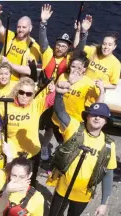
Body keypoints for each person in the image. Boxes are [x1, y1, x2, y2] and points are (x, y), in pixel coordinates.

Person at [47, 80, 117, 216]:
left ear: (105, 121)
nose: (96, 117)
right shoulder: (73, 129)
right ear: (86, 116)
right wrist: (60, 94)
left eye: (101, 116)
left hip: (83, 194)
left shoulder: (109, 145)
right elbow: (60, 112)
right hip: (63, 188)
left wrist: (103, 203)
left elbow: (108, 174)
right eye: (93, 114)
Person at [38, 4, 85, 160]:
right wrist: (43, 23)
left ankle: (44, 146)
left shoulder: (69, 60)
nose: (59, 47)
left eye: (63, 46)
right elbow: (43, 39)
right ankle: (31, 145)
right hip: (41, 97)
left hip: (56, 100)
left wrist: (83, 33)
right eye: (58, 44)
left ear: (67, 48)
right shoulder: (48, 53)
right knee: (35, 122)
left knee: (51, 128)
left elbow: (79, 50)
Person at [0, 77, 55, 186]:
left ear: (33, 95)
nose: (24, 96)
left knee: (29, 184)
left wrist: (54, 90)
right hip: (12, 154)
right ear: (17, 91)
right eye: (21, 92)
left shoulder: (36, 105)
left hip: (32, 153)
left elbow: (52, 99)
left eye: (29, 94)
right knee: (11, 183)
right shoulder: (5, 105)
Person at [50, 53, 105, 144]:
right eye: (73, 66)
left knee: (71, 144)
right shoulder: (63, 76)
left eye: (79, 68)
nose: (75, 70)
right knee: (60, 141)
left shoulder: (88, 83)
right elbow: (54, 94)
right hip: (57, 118)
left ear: (84, 69)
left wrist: (102, 91)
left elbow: (97, 105)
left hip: (74, 121)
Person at [0, 3, 41, 81]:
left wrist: (9, 64)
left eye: (24, 27)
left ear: (30, 28)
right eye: (19, 27)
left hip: (16, 82)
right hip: (0, 78)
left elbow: (29, 70)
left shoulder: (34, 46)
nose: (20, 30)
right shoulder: (10, 36)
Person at [74, 16, 121, 89]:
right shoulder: (94, 50)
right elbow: (76, 47)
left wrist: (101, 85)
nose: (106, 47)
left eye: (110, 45)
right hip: (81, 87)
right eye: (104, 44)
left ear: (114, 47)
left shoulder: (116, 64)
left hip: (95, 93)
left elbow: (114, 85)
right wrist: (80, 31)